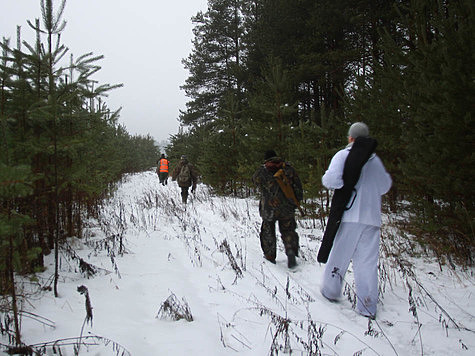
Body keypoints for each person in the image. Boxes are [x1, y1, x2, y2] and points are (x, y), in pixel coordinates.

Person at [319, 122, 392, 319]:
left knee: (340, 255)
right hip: (372, 219)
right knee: (367, 262)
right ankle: (367, 305)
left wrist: (345, 183)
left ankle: (330, 290)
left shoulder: (343, 155)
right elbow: (385, 185)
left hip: (349, 215)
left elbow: (331, 181)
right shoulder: (375, 160)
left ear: (351, 138)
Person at [252, 150, 303, 268]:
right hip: (287, 207)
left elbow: (255, 181)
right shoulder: (288, 169)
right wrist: (296, 202)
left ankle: (270, 256)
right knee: (289, 230)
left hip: (269, 208)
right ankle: (291, 252)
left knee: (268, 230)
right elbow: (298, 187)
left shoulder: (263, 171)